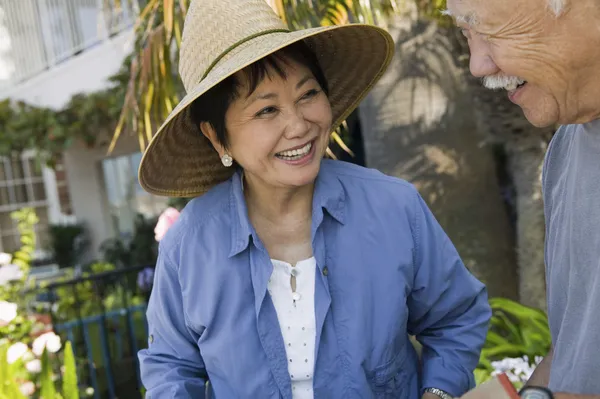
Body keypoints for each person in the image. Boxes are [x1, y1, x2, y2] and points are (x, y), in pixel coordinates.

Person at [137, 0, 491, 397]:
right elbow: (170, 366)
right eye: (267, 110)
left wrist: (438, 393)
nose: (299, 125)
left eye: (308, 94)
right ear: (217, 137)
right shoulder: (188, 247)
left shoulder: (393, 207)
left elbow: (455, 317)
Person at [444, 0, 600, 397]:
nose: (477, 65)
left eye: (489, 30)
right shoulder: (565, 151)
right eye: (466, 33)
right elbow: (575, 346)